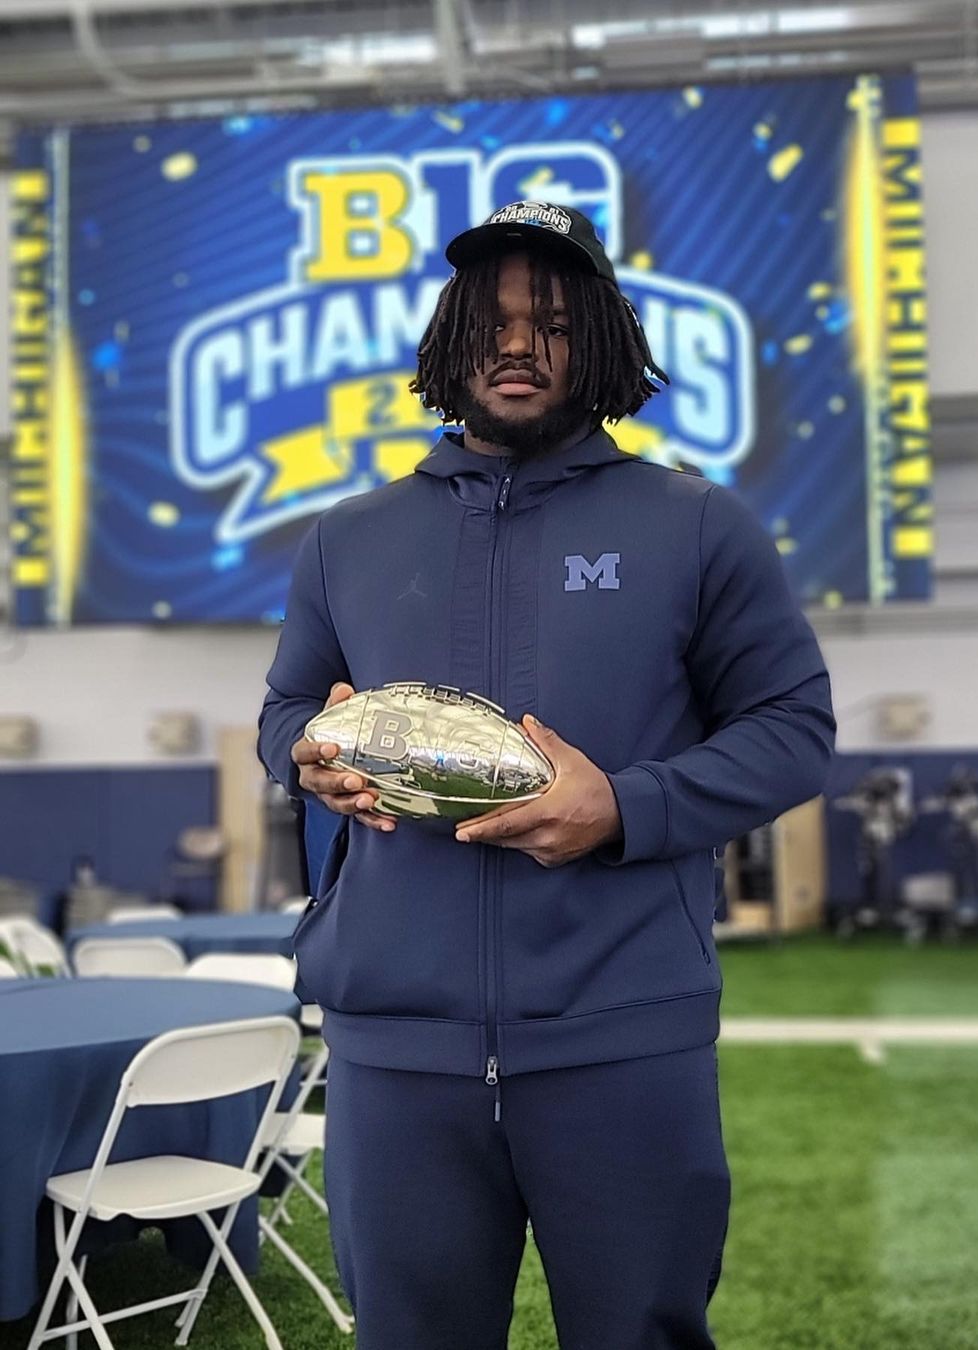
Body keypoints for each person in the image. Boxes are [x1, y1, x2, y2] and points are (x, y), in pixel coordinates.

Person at [257, 200, 836, 1350]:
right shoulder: (346, 538)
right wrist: (306, 754)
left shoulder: (696, 524)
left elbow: (794, 728)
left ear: (601, 343)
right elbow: (286, 710)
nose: (520, 345)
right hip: (397, 1048)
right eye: (495, 321)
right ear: (452, 338)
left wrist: (622, 806)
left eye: (557, 324)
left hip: (622, 1039)